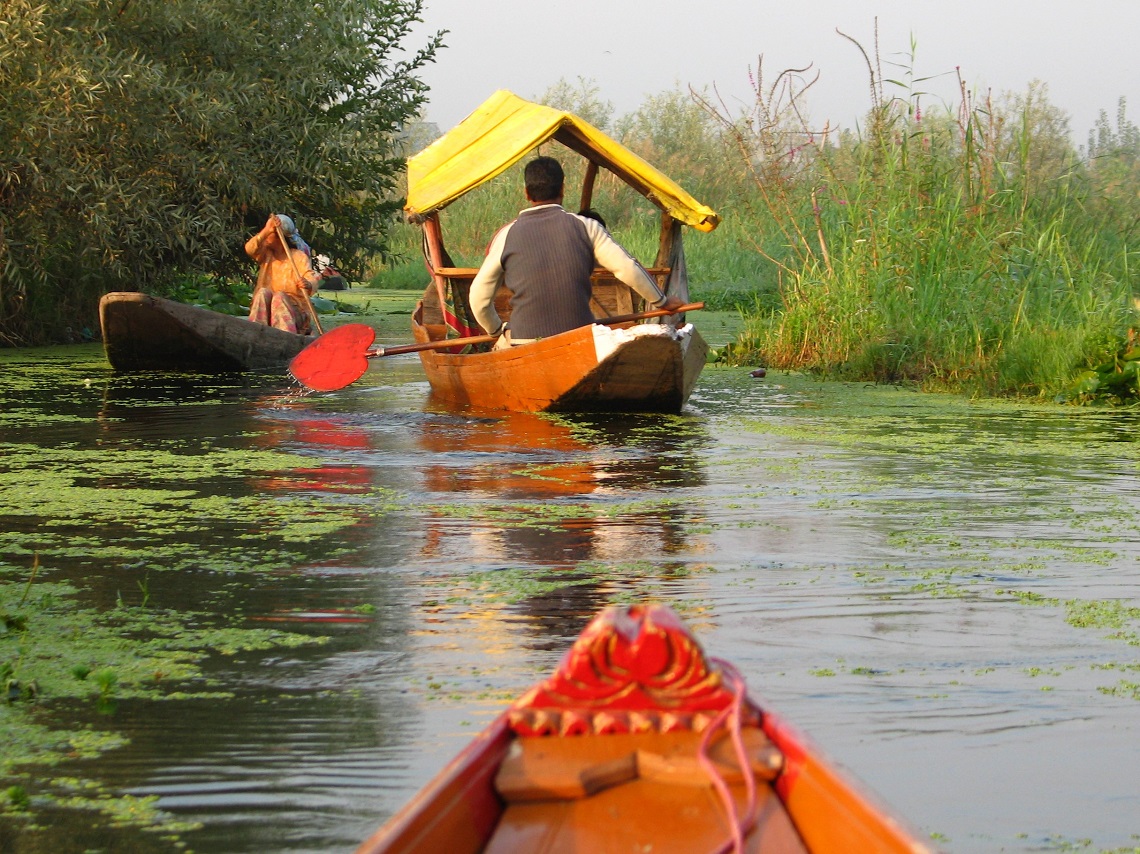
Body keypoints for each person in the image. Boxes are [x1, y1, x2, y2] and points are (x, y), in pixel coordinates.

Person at [469, 157, 683, 347]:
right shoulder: (587, 227)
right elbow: (627, 268)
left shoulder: (506, 234)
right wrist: (662, 302)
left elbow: (478, 299)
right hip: (579, 340)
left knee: (499, 348)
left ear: (526, 193)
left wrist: (496, 330)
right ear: (562, 189)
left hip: (522, 342)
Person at [245, 214, 320, 334]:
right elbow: (250, 248)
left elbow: (312, 278)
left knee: (279, 297)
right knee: (262, 293)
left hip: (293, 311)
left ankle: (285, 335)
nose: (266, 237)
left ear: (280, 238)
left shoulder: (298, 257)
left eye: (270, 234)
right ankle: (255, 332)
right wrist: (266, 230)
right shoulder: (265, 254)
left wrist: (308, 284)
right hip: (268, 310)